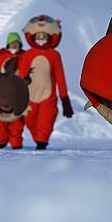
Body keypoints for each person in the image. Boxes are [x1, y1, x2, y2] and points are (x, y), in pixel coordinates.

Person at [16, 16, 72, 150]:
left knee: (46, 120)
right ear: (33, 37)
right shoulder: (28, 54)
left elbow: (60, 77)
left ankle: (42, 141)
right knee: (30, 121)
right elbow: (22, 74)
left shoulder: (54, 55)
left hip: (48, 97)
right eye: (38, 36)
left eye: (44, 36)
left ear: (50, 37)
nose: (41, 39)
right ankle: (39, 139)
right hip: (30, 96)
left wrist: (64, 99)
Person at [0, 32, 27, 149]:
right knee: (0, 121)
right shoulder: (1, 55)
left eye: (16, 43)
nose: (14, 45)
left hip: (17, 94)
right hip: (1, 94)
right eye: (12, 43)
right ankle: (1, 142)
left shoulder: (25, 56)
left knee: (17, 122)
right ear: (8, 44)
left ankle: (16, 144)